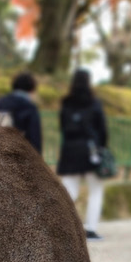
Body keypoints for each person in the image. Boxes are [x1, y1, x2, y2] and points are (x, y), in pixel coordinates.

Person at [57, 68, 108, 240]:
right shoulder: (94, 103)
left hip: (70, 149)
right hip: (90, 150)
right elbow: (102, 129)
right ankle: (91, 229)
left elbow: (62, 126)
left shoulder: (66, 102)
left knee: (69, 190)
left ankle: (64, 229)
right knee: (95, 189)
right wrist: (102, 147)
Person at [0, 72, 42, 153]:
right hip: (20, 155)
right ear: (31, 89)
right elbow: (34, 137)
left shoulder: (0, 103)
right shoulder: (29, 107)